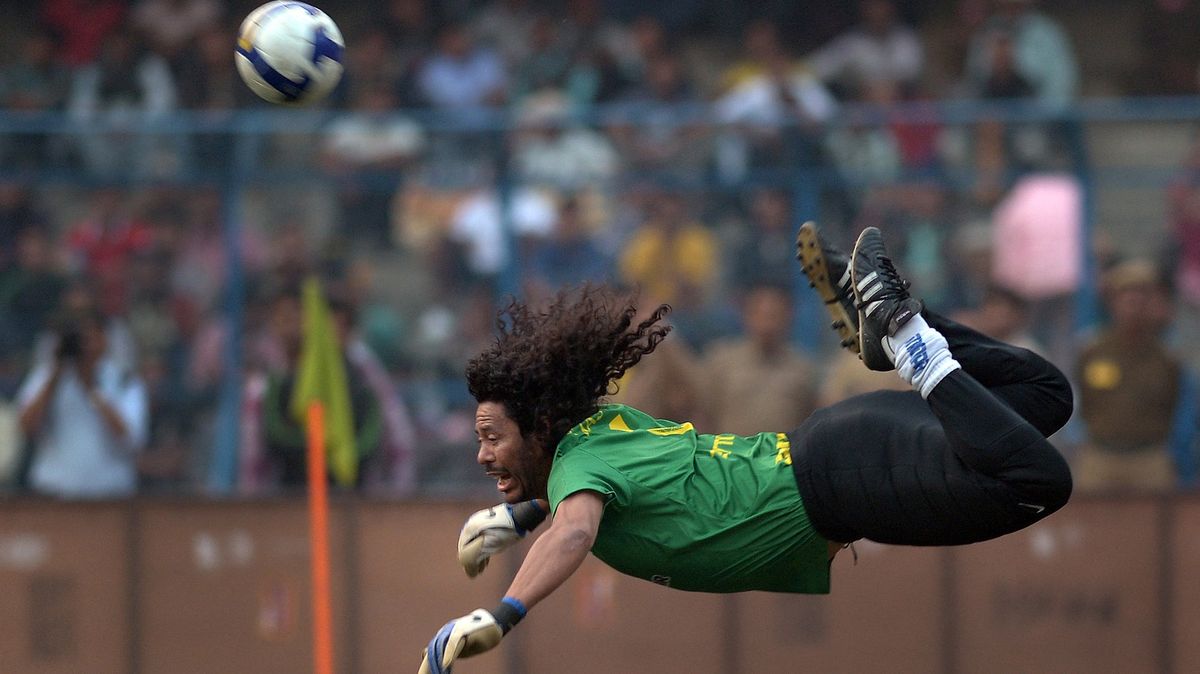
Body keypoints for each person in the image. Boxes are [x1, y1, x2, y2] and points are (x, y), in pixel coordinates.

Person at [417, 224, 1073, 672]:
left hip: (845, 483)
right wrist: (516, 516)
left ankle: (906, 337)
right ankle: (901, 332)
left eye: (491, 437)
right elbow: (584, 503)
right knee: (1046, 396)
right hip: (839, 443)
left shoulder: (580, 468)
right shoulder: (601, 431)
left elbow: (574, 533)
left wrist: (502, 614)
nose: (481, 455)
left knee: (1038, 481)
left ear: (539, 431)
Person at [17, 308, 148, 498]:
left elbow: (130, 438)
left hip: (111, 496)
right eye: (79, 341)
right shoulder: (46, 377)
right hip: (53, 494)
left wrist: (92, 389)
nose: (84, 347)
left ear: (104, 340)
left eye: (90, 339)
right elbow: (25, 427)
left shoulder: (123, 380)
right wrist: (55, 375)